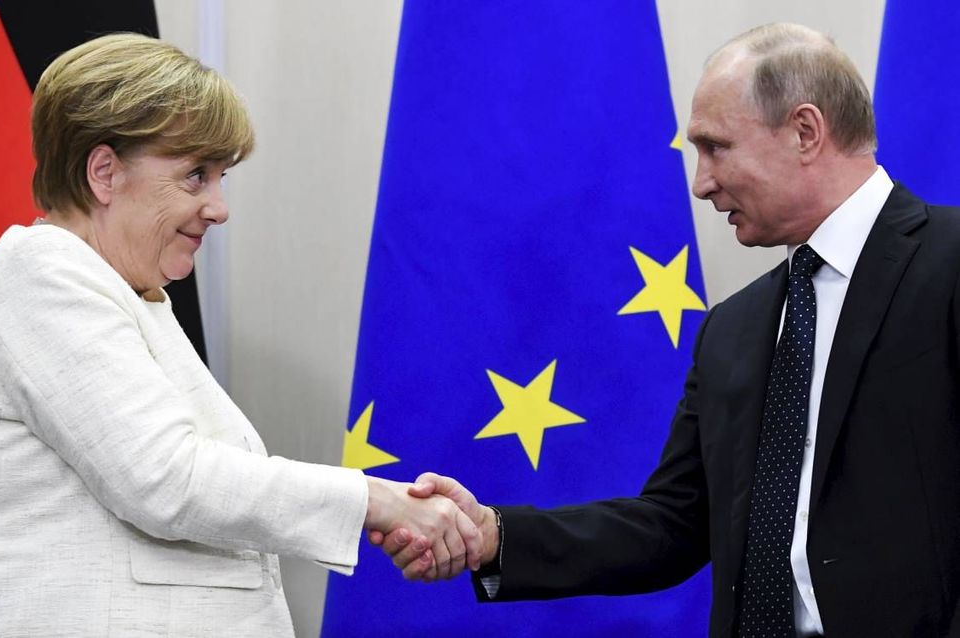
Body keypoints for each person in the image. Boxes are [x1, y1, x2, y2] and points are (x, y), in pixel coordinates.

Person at [373, 22, 960, 638]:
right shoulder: (734, 328)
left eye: (716, 147)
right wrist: (496, 535)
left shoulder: (947, 265)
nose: (701, 182)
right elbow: (674, 524)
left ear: (805, 131)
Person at [0, 33, 483, 637]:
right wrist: (372, 501)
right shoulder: (42, 275)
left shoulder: (128, 294)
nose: (220, 207)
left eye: (221, 176)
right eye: (196, 175)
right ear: (104, 172)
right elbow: (167, 478)